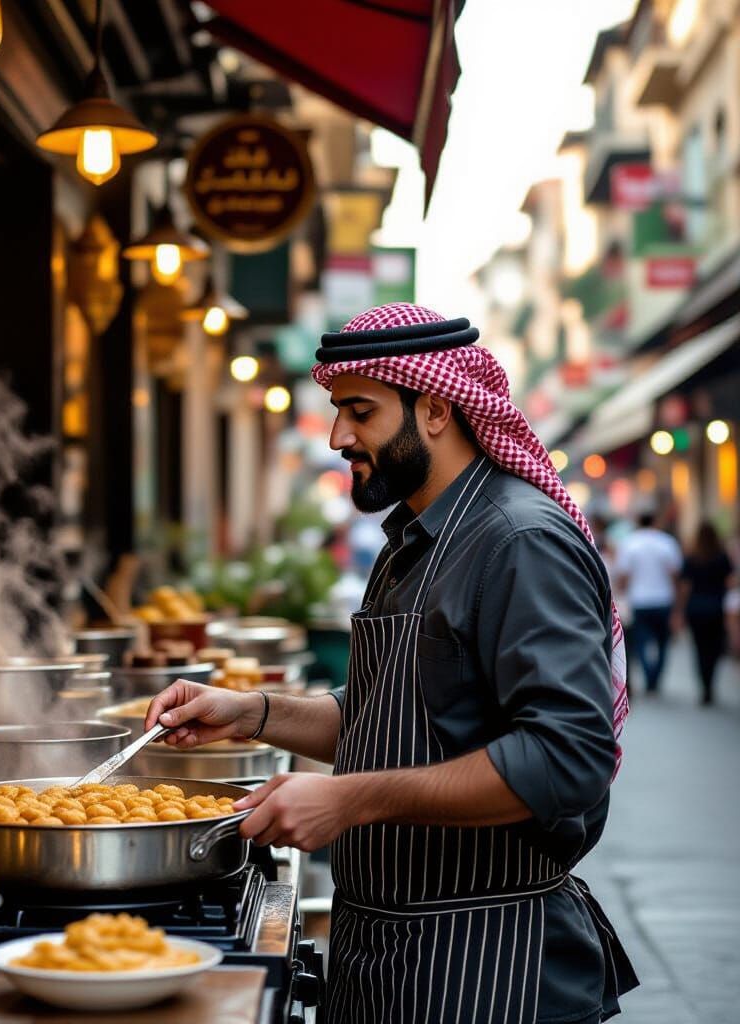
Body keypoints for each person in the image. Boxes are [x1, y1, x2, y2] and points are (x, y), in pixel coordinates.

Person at [146, 303, 637, 1024]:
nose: (340, 436)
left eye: (360, 412)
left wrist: (349, 798)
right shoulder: (415, 536)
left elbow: (567, 759)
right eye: (337, 412)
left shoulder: (517, 541)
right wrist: (249, 713)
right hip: (385, 955)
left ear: (435, 408)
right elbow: (384, 716)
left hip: (487, 966)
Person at [615, 512, 682, 694]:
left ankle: (648, 675)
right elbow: (675, 576)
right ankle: (655, 678)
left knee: (641, 643)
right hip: (663, 599)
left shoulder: (630, 543)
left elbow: (623, 576)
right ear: (655, 521)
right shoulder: (667, 542)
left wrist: (621, 595)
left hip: (639, 600)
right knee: (663, 643)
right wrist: (678, 607)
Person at [675, 521, 735, 705]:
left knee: (700, 649)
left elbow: (685, 587)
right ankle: (710, 682)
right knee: (715, 648)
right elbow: (730, 582)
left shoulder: (692, 558)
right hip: (717, 608)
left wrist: (680, 610)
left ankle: (704, 685)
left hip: (696, 608)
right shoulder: (722, 557)